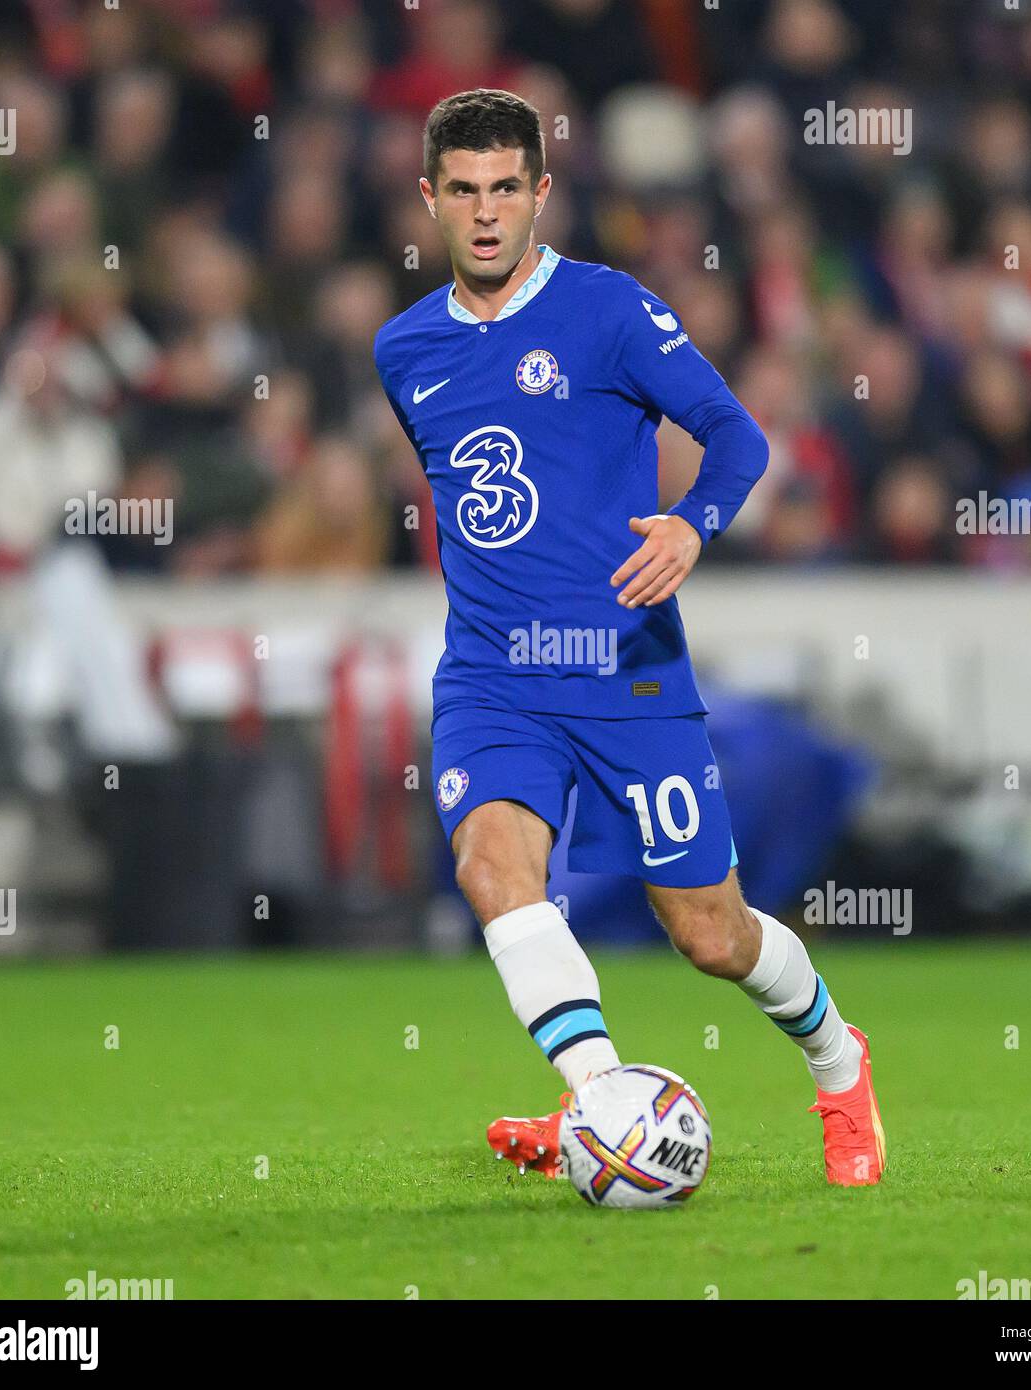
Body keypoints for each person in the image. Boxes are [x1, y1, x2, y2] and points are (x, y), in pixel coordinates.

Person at [374, 89, 884, 1189]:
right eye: (462, 190)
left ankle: (841, 1064)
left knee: (709, 931)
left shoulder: (608, 311)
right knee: (493, 865)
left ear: (541, 194)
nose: (486, 212)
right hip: (494, 676)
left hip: (626, 672)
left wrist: (691, 528)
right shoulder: (402, 348)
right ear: (430, 199)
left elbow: (736, 435)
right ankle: (602, 1105)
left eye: (507, 186)